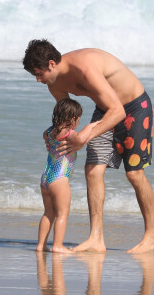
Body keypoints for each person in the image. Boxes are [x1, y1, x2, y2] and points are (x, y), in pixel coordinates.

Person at [23, 39, 154, 253]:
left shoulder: (84, 67)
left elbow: (119, 112)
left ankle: (151, 235)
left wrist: (83, 138)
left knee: (134, 174)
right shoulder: (54, 83)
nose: (38, 80)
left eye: (39, 74)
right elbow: (65, 119)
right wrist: (54, 137)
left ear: (51, 63)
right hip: (106, 110)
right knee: (93, 171)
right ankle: (96, 237)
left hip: (134, 107)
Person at [37, 98, 100, 253]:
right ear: (73, 119)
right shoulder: (68, 133)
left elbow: (44, 136)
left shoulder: (50, 132)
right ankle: (57, 246)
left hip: (46, 178)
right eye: (78, 119)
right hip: (59, 178)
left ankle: (41, 245)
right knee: (63, 214)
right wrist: (92, 125)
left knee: (48, 213)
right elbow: (80, 139)